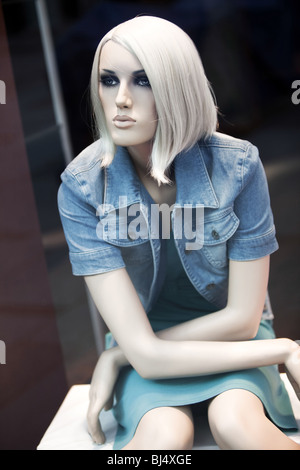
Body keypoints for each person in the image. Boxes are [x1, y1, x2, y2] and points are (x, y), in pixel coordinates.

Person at [58, 16, 300, 450]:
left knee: (238, 426)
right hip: (144, 351)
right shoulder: (82, 186)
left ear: (177, 87)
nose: (122, 100)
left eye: (144, 81)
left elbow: (243, 321)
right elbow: (146, 355)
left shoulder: (237, 165)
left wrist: (121, 354)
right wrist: (284, 351)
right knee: (164, 440)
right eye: (108, 80)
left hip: (232, 341)